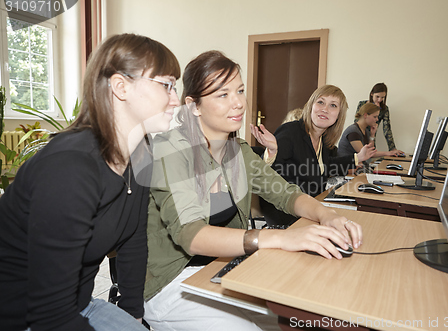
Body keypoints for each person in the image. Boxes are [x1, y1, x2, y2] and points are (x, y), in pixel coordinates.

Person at [143, 50, 363, 331]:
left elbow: (286, 194)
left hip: (222, 267)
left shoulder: (237, 151)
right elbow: (192, 235)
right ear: (193, 105)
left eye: (240, 90)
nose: (238, 103)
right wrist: (280, 238)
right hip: (171, 283)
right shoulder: (170, 149)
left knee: (297, 317)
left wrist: (327, 214)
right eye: (222, 95)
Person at [0, 33, 181, 331]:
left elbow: (134, 239)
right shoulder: (69, 168)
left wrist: (133, 312)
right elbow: (49, 315)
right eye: (166, 85)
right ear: (120, 87)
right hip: (23, 315)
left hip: (78, 303)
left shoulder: (140, 155)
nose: (175, 99)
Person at [270, 85, 376, 198]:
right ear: (311, 106)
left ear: (339, 115)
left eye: (333, 105)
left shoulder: (323, 139)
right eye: (321, 102)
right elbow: (271, 175)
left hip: (315, 201)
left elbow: (326, 165)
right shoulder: (290, 131)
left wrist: (357, 158)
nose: (325, 109)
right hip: (288, 207)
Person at [355, 82, 404, 155]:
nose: (379, 100)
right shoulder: (362, 104)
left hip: (371, 139)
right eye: (377, 96)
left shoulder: (384, 109)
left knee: (371, 159)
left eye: (382, 97)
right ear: (372, 94)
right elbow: (357, 122)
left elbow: (387, 129)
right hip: (359, 138)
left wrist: (392, 148)